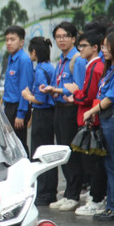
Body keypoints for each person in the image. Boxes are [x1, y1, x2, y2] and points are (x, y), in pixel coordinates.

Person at [83, 31, 114, 221]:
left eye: (106, 46)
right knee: (109, 163)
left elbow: (110, 98)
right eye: (103, 46)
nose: (103, 50)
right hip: (107, 119)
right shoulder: (112, 69)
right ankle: (112, 205)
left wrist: (91, 111)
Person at [42, 21, 87, 210]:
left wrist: (58, 90)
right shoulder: (61, 60)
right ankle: (69, 191)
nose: (61, 40)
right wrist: (50, 89)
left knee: (71, 151)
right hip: (58, 109)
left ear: (74, 38)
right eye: (58, 37)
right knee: (62, 150)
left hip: (70, 110)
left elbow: (78, 88)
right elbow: (58, 84)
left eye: (65, 36)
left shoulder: (77, 60)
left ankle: (74, 194)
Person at [70, 31, 108, 216]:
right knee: (92, 161)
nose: (80, 49)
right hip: (89, 117)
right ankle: (97, 196)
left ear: (95, 47)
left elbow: (87, 96)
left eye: (84, 45)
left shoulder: (95, 67)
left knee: (92, 162)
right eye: (80, 46)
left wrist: (75, 92)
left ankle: (97, 198)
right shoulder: (93, 66)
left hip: (91, 119)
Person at [21, 37, 57, 206]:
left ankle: (44, 192)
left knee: (41, 152)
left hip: (43, 115)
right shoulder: (50, 67)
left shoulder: (41, 70)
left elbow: (41, 99)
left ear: (34, 52)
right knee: (48, 151)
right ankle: (49, 191)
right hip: (50, 115)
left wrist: (28, 97)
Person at [0, 25, 33, 151]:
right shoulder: (11, 58)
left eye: (12, 39)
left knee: (20, 145)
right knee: (10, 145)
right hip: (9, 107)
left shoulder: (24, 60)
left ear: (21, 42)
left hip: (18, 108)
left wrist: (20, 114)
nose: (8, 42)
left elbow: (25, 89)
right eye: (7, 39)